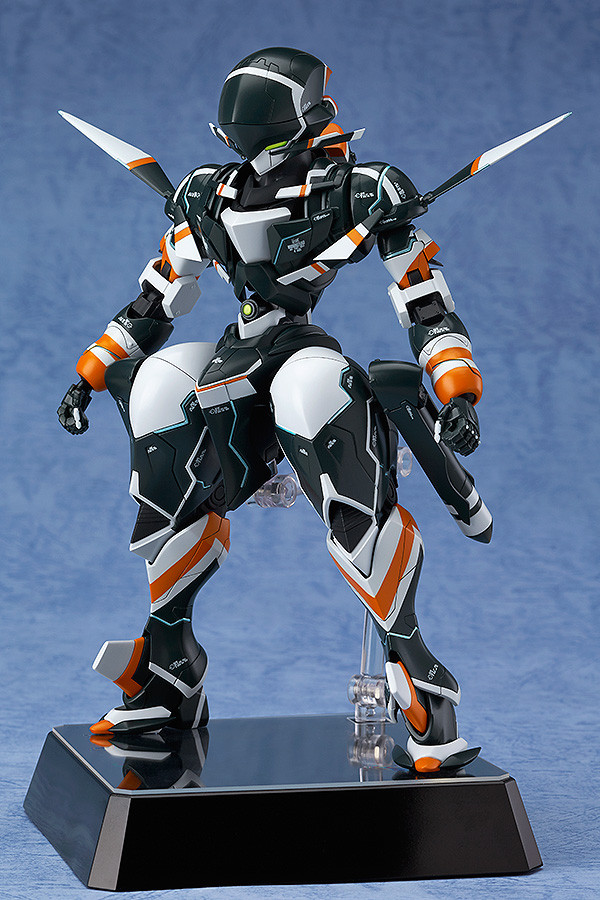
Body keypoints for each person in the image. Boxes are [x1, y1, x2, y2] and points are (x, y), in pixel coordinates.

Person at [58, 47, 487, 772]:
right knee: (159, 389)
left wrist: (456, 390)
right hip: (237, 350)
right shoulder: (210, 194)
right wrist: (91, 375)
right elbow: (158, 295)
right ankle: (169, 666)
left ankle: (422, 683)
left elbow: (424, 299)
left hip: (297, 351)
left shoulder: (357, 191)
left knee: (318, 401)